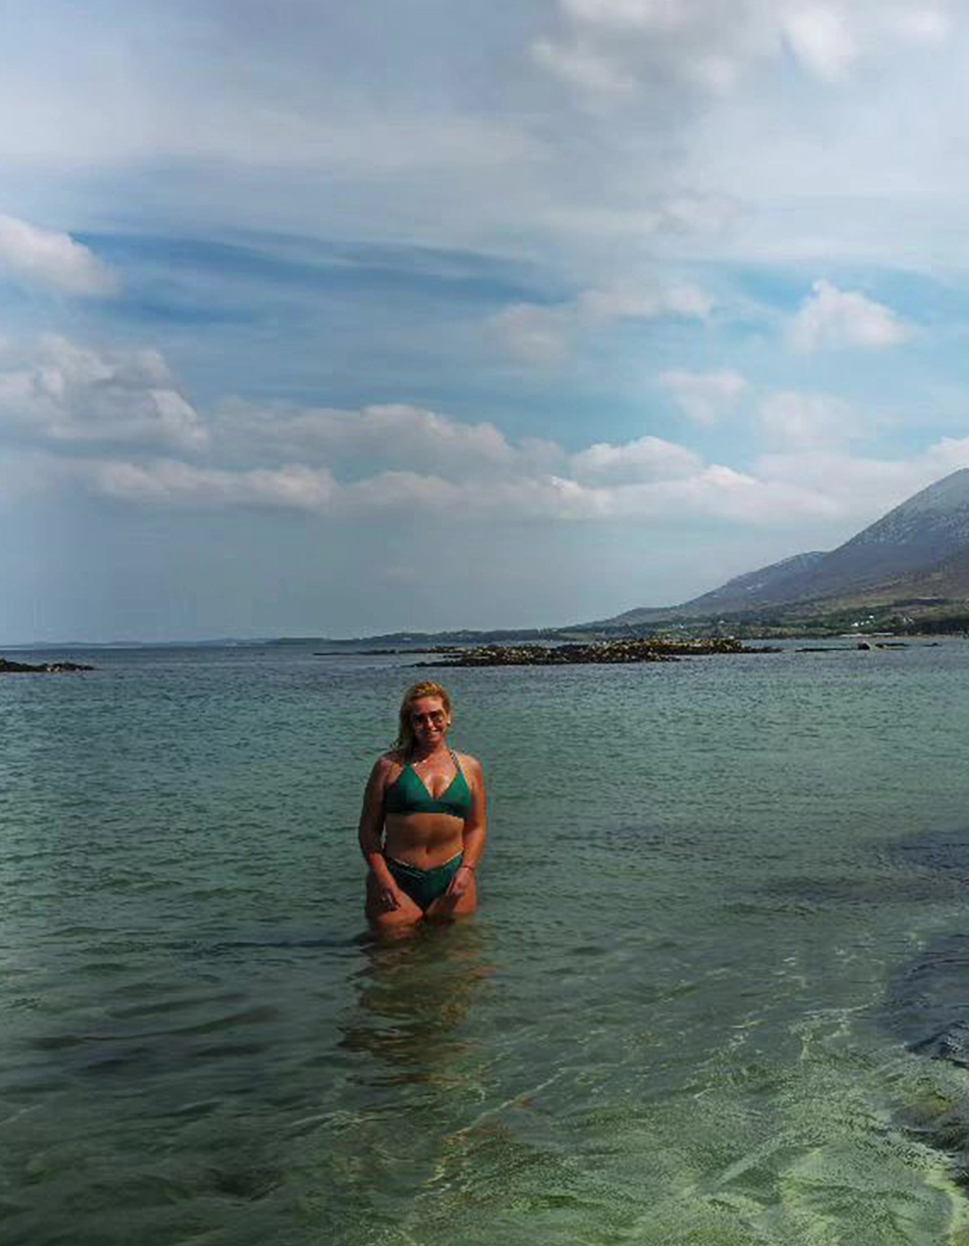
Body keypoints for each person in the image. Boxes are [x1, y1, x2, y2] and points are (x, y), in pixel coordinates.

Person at [358, 681, 486, 931]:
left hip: (453, 880)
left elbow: (477, 827)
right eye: (420, 719)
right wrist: (383, 878)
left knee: (460, 963)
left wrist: (467, 870)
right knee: (391, 963)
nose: (429, 724)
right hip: (396, 879)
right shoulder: (388, 767)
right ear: (410, 724)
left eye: (435, 716)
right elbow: (368, 830)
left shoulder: (470, 767)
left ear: (448, 717)